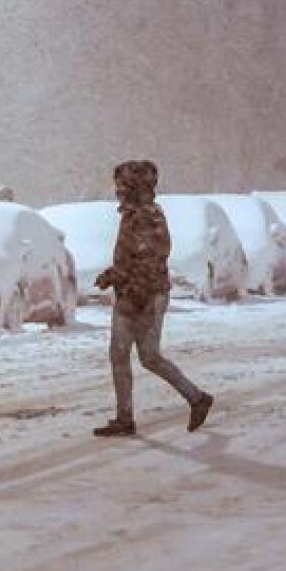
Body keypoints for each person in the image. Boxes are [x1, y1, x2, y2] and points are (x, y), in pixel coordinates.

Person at [92, 159, 214, 437]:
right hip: (134, 293)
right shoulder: (135, 214)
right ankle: (125, 418)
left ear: (134, 187)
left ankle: (196, 398)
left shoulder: (146, 216)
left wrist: (134, 290)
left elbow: (150, 258)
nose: (117, 191)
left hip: (144, 296)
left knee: (148, 357)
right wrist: (113, 275)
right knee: (122, 355)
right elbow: (133, 258)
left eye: (122, 185)